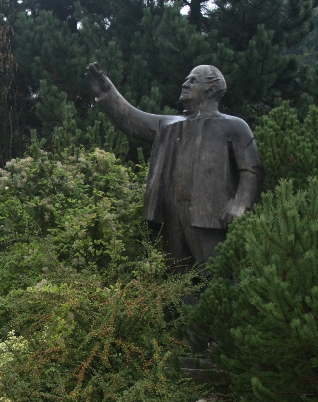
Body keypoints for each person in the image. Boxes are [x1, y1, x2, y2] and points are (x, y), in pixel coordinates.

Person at [86, 62, 264, 267]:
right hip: (172, 211)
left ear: (211, 89)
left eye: (193, 80)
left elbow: (252, 169)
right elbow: (131, 120)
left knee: (214, 270)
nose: (185, 84)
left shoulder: (234, 126)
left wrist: (240, 204)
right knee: (178, 273)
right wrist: (107, 93)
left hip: (210, 213)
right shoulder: (170, 124)